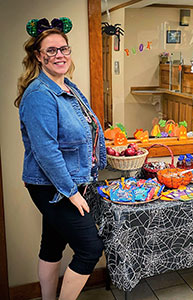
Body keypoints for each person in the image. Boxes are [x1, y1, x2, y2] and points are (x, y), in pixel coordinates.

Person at [15, 17, 107, 300]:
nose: (59, 55)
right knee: (90, 248)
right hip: (52, 187)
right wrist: (71, 192)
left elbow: (83, 130)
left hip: (69, 182)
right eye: (51, 50)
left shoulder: (70, 87)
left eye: (63, 49)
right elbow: (46, 152)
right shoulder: (39, 95)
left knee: (52, 244)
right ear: (39, 56)